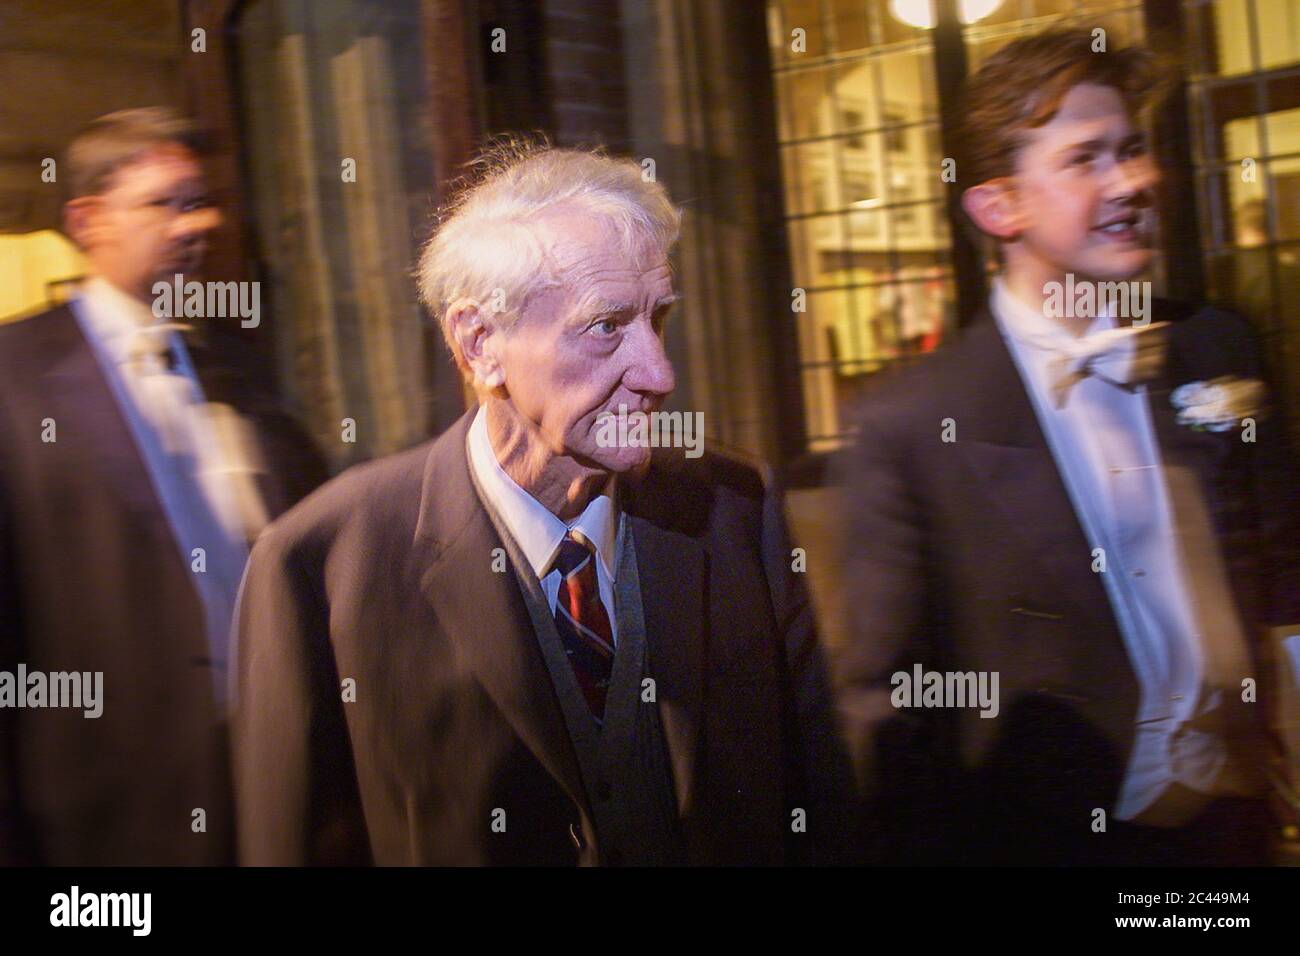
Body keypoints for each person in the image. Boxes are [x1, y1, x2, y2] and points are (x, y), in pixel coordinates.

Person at [232, 143, 853, 865]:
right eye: (606, 327)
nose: (658, 371)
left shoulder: (736, 510)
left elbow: (824, 805)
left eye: (661, 319)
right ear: (479, 342)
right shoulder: (325, 564)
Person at [832, 31, 1300, 865]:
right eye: (1086, 159)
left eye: (1135, 150)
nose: (1135, 182)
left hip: (1234, 837)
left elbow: (1283, 573)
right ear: (998, 208)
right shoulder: (913, 424)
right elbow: (888, 704)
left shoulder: (1216, 347)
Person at [0, 107, 326, 865]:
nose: (199, 222)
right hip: (107, 811)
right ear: (87, 220)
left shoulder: (237, 366)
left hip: (269, 776)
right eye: (166, 203)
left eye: (201, 201)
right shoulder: (15, 377)